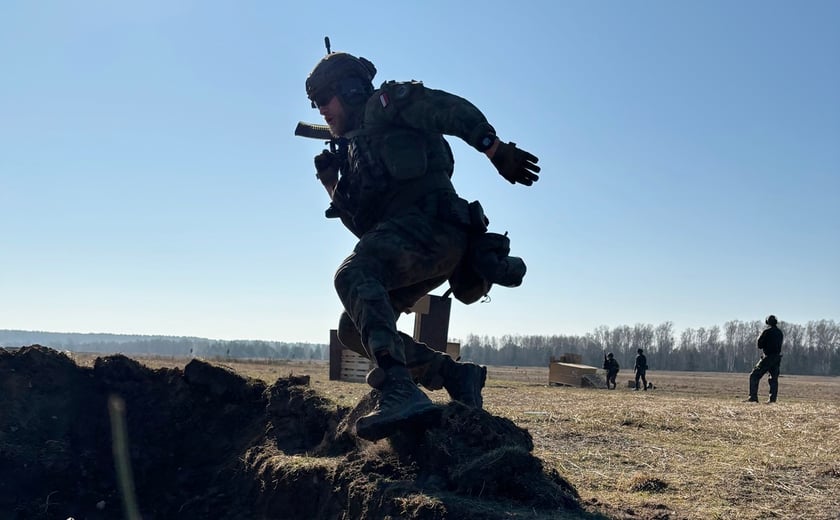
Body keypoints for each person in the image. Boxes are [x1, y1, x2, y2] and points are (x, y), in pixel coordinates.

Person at [303, 48, 540, 441]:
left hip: (437, 226)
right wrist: (333, 186)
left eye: (323, 99)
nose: (320, 111)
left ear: (348, 89)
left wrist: (494, 149)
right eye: (314, 104)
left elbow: (447, 108)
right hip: (411, 242)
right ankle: (454, 375)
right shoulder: (355, 150)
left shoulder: (387, 107)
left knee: (354, 273)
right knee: (351, 329)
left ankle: (398, 388)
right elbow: (367, 231)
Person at [745, 315, 784, 403]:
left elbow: (759, 345)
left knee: (754, 375)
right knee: (773, 379)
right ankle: (772, 399)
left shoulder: (766, 332)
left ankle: (753, 397)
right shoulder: (780, 333)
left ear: (767, 322)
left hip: (767, 358)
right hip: (777, 358)